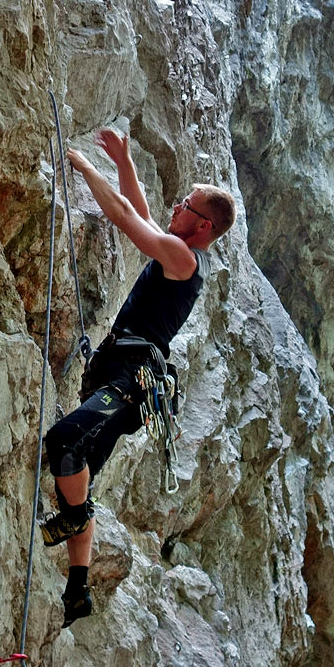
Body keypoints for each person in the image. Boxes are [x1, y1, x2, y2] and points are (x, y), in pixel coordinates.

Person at [41, 129, 236, 627]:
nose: (175, 208)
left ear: (202, 225)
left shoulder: (185, 260)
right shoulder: (178, 251)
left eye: (184, 205)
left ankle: (77, 522)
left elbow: (129, 219)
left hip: (131, 380)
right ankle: (77, 586)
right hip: (115, 372)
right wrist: (125, 162)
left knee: (64, 441)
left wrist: (85, 169)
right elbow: (143, 212)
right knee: (76, 467)